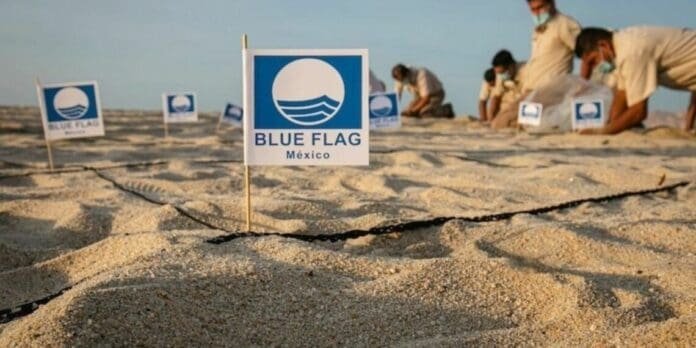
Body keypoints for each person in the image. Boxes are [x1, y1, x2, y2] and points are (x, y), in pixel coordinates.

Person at [575, 27, 696, 134]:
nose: (595, 67)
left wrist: (602, 132)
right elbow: (623, 94)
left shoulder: (632, 52)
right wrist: (609, 125)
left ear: (604, 46)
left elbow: (638, 112)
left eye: (593, 61)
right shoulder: (619, 50)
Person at [523, 0, 581, 91]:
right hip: (533, 90)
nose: (537, 13)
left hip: (552, 90)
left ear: (552, 4)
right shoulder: (539, 29)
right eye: (533, 9)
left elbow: (587, 52)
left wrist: (582, 86)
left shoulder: (564, 23)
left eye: (540, 7)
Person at [488, 50, 527, 128]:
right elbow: (496, 98)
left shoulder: (526, 70)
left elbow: (530, 96)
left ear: (511, 66)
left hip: (525, 107)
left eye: (502, 73)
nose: (501, 75)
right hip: (509, 110)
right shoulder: (500, 76)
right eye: (498, 73)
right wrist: (491, 120)